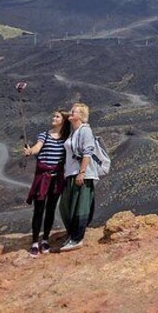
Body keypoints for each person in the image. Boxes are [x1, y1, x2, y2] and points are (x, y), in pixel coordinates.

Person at [23, 109, 70, 256]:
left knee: (50, 210)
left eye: (57, 116)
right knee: (39, 210)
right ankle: (35, 242)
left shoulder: (66, 138)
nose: (53, 118)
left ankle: (45, 240)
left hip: (57, 178)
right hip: (43, 178)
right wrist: (30, 151)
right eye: (53, 115)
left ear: (63, 120)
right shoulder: (44, 135)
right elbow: (38, 147)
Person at [59, 102, 98, 251]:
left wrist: (82, 172)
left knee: (79, 206)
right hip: (71, 173)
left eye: (73, 112)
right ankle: (72, 234)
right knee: (66, 206)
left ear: (81, 116)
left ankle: (77, 238)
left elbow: (87, 152)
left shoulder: (85, 131)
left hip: (81, 174)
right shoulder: (73, 132)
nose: (71, 113)